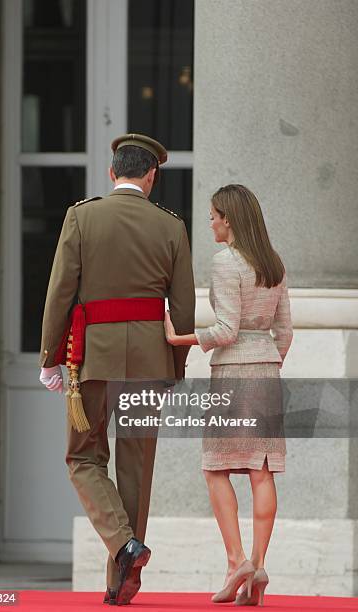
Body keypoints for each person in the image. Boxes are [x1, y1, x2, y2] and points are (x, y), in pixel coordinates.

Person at [38, 133, 195, 605]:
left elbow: (60, 292)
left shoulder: (81, 216)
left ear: (112, 173)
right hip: (149, 360)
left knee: (83, 457)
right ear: (152, 175)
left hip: (93, 359)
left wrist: (49, 358)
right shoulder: (172, 225)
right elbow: (183, 308)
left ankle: (124, 547)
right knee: (136, 468)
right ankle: (119, 582)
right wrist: (177, 366)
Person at [164, 184, 293, 606]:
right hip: (267, 371)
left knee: (214, 467)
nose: (211, 222)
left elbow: (227, 331)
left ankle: (237, 559)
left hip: (234, 373)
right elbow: (285, 333)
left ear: (230, 220)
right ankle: (257, 565)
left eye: (215, 215)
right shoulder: (274, 265)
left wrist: (179, 337)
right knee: (263, 470)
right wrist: (269, 362)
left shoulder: (226, 263)